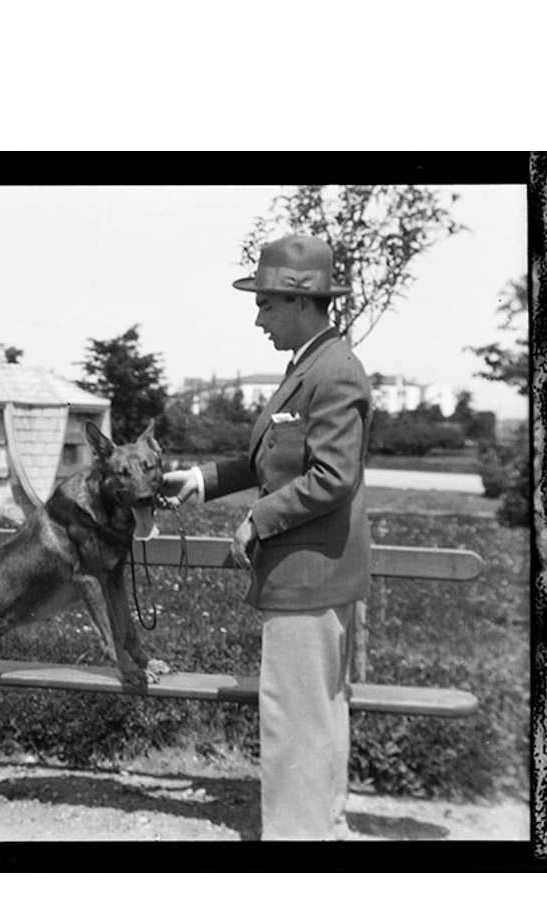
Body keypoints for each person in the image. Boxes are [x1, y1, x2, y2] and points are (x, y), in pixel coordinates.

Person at [164, 235, 372, 841]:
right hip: (311, 573)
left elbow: (333, 477)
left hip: (308, 576)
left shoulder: (333, 372)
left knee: (295, 721)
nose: (258, 319)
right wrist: (202, 479)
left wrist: (259, 519)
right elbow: (274, 460)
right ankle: (323, 827)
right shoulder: (311, 364)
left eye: (266, 305)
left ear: (301, 304)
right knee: (319, 715)